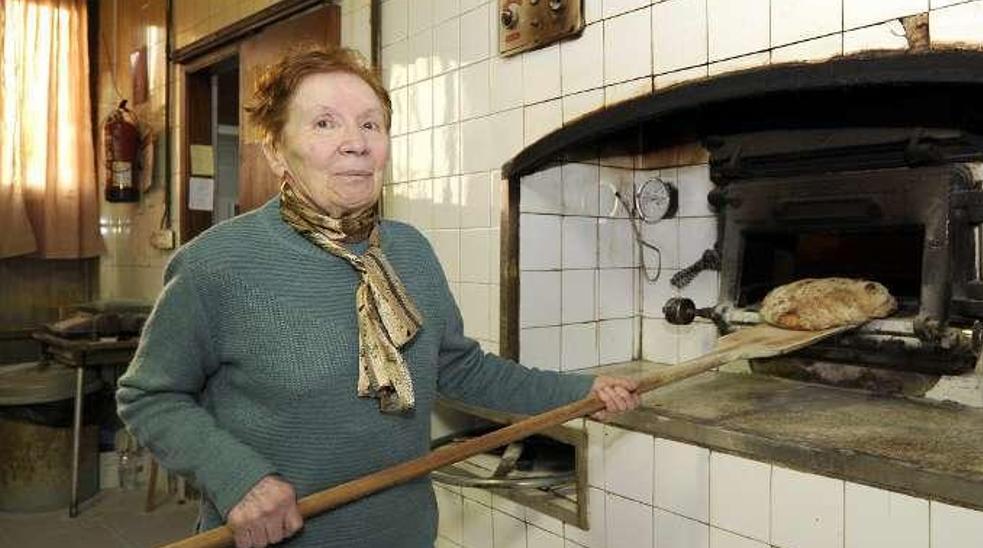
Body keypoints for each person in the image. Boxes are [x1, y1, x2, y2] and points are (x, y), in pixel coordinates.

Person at [116, 46, 640, 548]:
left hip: (405, 536)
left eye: (371, 124)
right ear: (276, 149)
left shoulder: (409, 251)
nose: (356, 142)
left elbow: (461, 370)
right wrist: (237, 478)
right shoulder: (217, 264)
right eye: (325, 123)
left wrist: (583, 391)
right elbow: (150, 397)